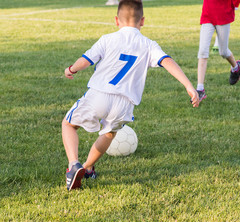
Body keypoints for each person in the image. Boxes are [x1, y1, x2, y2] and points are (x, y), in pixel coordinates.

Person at [63, 0, 199, 191]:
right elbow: (166, 60)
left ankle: (73, 165)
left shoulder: (107, 39)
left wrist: (71, 69)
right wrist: (189, 85)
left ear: (116, 21)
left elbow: (85, 60)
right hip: (124, 103)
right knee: (109, 134)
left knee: (69, 125)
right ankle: (87, 168)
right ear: (142, 21)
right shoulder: (148, 44)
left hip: (100, 94)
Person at [196, 0, 240, 102]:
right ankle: (200, 89)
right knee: (203, 51)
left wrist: (233, 4)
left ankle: (236, 67)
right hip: (208, 13)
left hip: (223, 13)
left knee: (223, 52)